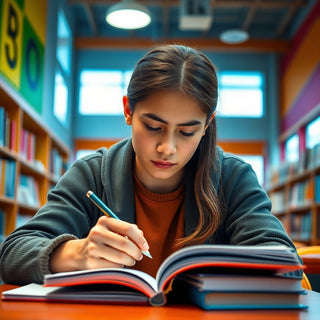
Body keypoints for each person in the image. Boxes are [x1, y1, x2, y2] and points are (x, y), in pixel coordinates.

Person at [0, 44, 301, 284]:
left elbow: (285, 263)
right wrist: (75, 254)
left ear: (207, 124)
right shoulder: (91, 173)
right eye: (154, 126)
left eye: (187, 132)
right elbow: (11, 254)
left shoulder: (233, 177)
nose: (167, 148)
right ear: (128, 111)